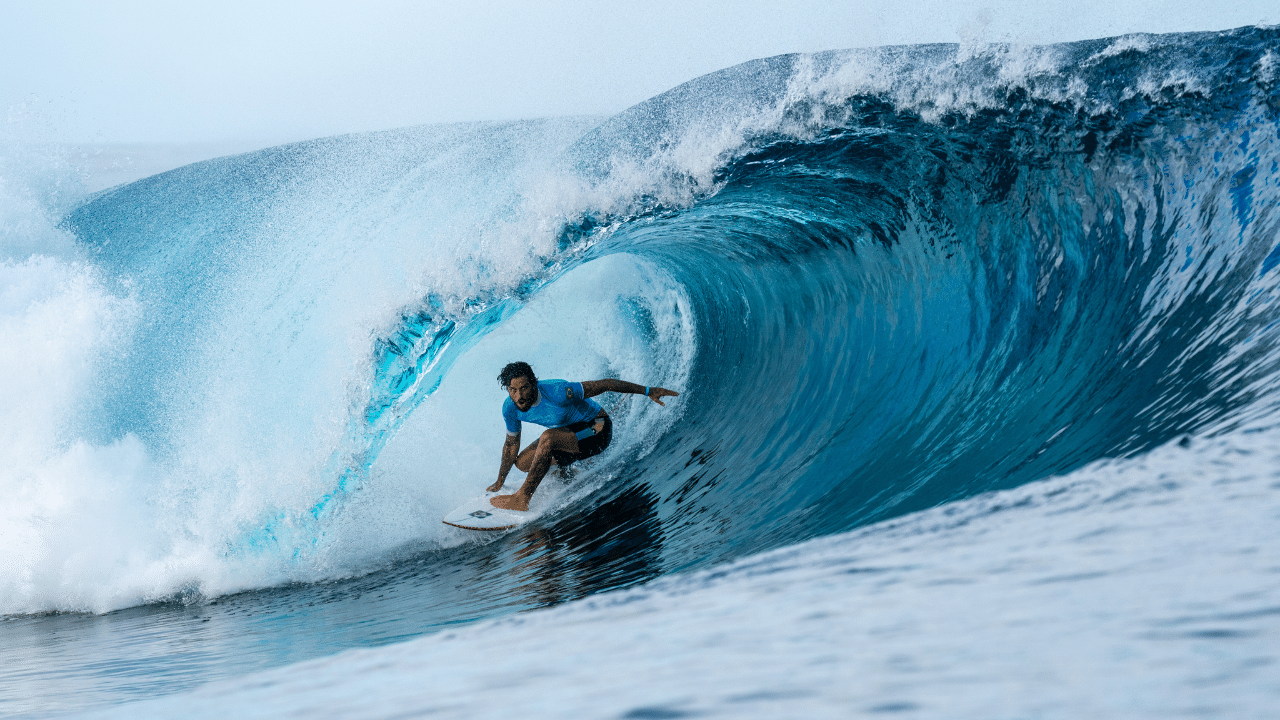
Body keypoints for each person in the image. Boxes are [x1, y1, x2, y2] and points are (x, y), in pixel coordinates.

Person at [488, 361, 679, 511]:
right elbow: (511, 445)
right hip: (569, 435)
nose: (519, 395)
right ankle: (567, 473)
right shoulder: (510, 408)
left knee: (548, 438)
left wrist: (648, 391)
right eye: (512, 390)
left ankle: (522, 499)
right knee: (522, 463)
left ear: (534, 384)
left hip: (598, 429)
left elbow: (606, 384)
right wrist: (500, 481)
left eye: (524, 388)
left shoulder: (559, 391)